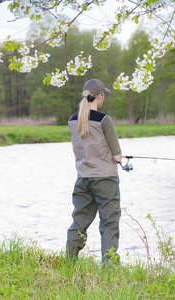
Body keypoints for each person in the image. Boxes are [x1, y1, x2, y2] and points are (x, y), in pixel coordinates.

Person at [66, 78, 122, 264]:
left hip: (83, 179)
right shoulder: (105, 120)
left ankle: (69, 263)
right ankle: (110, 268)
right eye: (103, 95)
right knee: (109, 223)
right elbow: (117, 156)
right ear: (99, 96)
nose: (103, 98)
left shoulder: (73, 121)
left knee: (79, 222)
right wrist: (122, 160)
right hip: (105, 180)